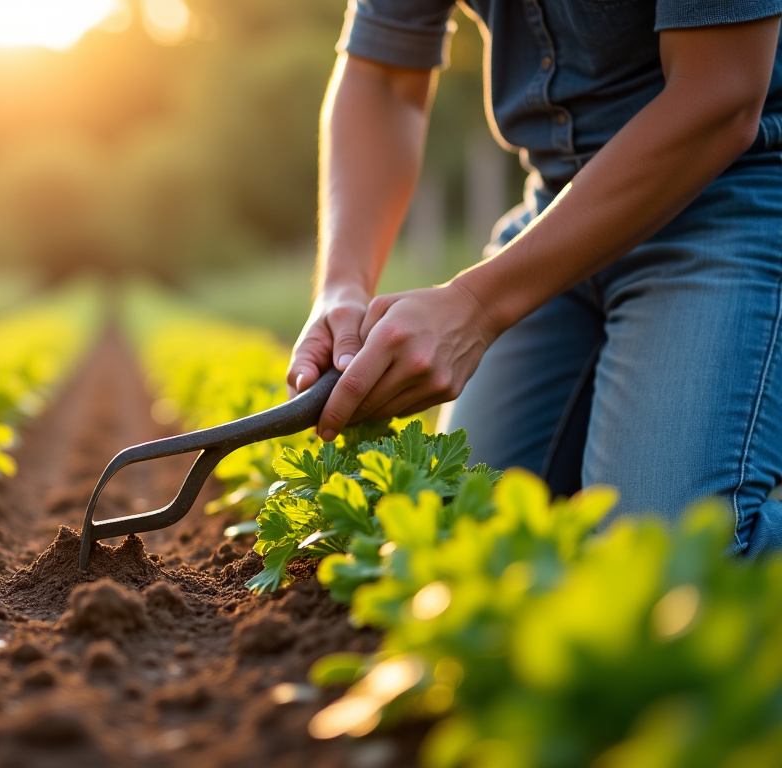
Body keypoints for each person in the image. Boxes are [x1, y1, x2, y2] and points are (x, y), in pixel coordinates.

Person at [288, 1, 782, 556]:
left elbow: (723, 92)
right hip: (552, 212)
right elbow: (383, 75)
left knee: (659, 565)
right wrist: (343, 285)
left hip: (733, 194)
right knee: (460, 532)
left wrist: (477, 305)